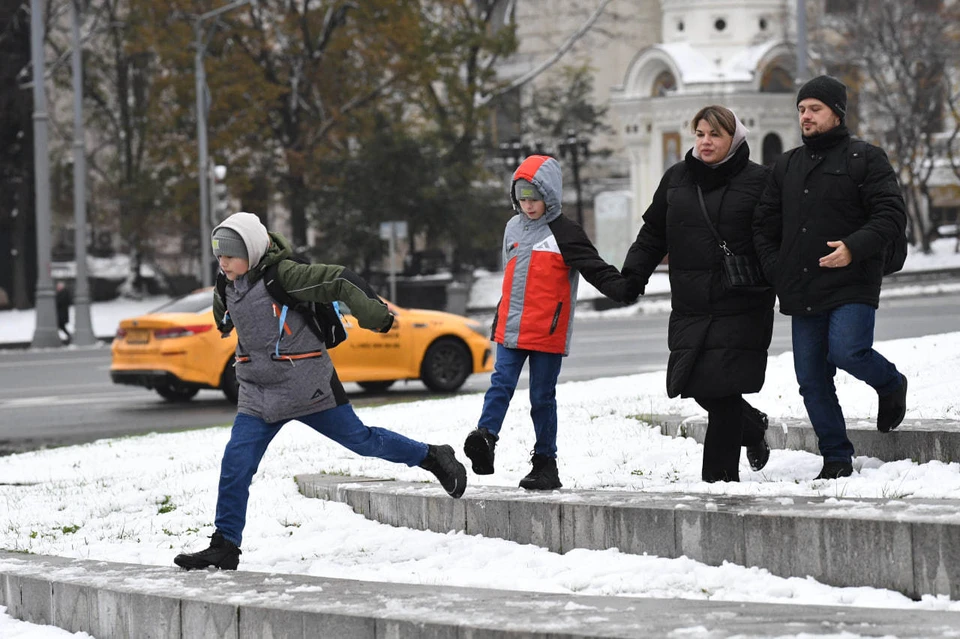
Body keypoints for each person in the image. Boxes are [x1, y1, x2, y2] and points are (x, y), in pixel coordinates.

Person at [174, 212, 467, 571]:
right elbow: (226, 319)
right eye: (218, 255)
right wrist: (223, 315)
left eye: (229, 255)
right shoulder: (227, 283)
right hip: (258, 392)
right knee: (236, 464)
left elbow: (340, 280)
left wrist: (374, 315)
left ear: (251, 251)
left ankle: (432, 456)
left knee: (363, 440)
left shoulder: (286, 275)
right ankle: (225, 545)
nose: (222, 262)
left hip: (308, 385)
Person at [753, 75, 908, 480]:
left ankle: (891, 383)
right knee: (811, 379)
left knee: (847, 351)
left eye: (814, 109)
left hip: (853, 280)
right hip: (801, 286)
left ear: (836, 113)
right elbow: (763, 226)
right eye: (801, 109)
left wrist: (853, 248)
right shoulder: (786, 165)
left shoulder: (866, 158)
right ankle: (836, 457)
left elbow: (891, 215)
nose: (805, 116)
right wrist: (777, 268)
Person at [462, 155, 639, 490]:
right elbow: (511, 275)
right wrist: (503, 315)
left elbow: (594, 268)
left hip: (547, 331)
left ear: (550, 195)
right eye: (522, 199)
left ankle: (546, 463)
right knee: (500, 385)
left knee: (541, 398)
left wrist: (624, 289)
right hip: (511, 327)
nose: (528, 206)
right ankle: (485, 439)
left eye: (535, 199)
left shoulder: (566, 232)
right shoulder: (512, 228)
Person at [622, 106, 775, 483]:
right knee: (694, 383)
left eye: (715, 135)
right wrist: (632, 276)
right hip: (691, 302)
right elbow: (653, 234)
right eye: (700, 134)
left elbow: (777, 239)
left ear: (734, 139)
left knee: (722, 393)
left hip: (741, 301)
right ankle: (752, 427)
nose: (705, 142)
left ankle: (719, 484)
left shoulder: (760, 182)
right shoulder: (676, 178)